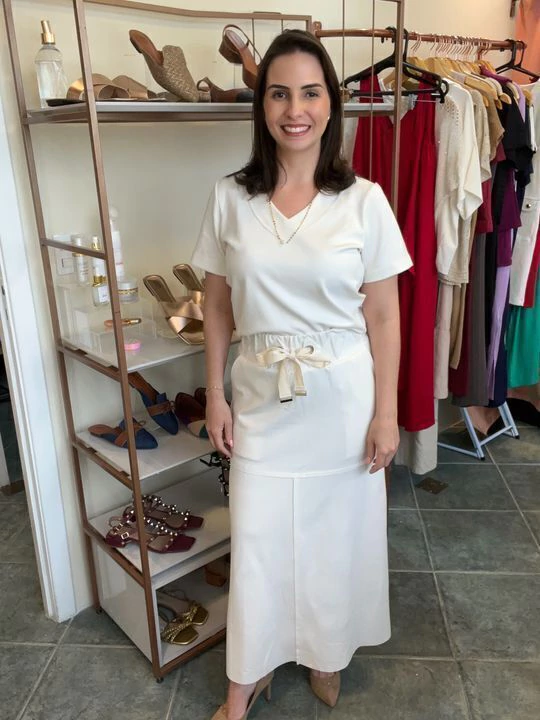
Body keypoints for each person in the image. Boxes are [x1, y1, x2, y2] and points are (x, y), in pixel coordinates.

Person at [191, 28, 412, 720]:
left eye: (311, 93)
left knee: (332, 538)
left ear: (330, 104)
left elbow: (384, 316)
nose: (296, 110)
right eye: (280, 93)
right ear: (262, 104)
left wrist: (386, 413)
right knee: (257, 538)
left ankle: (326, 650)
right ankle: (245, 678)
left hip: (341, 401)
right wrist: (216, 395)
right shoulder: (230, 198)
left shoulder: (364, 201)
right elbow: (217, 307)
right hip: (260, 398)